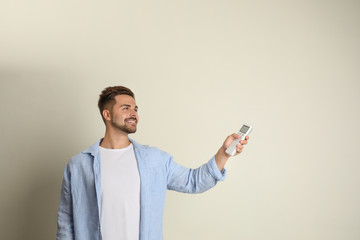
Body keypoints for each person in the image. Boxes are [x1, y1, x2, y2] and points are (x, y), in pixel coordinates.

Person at [56, 86, 250, 240]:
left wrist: (224, 153)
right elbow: (66, 222)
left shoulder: (155, 160)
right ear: (107, 115)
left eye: (135, 108)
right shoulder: (78, 165)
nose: (133, 113)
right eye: (125, 108)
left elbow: (194, 181)